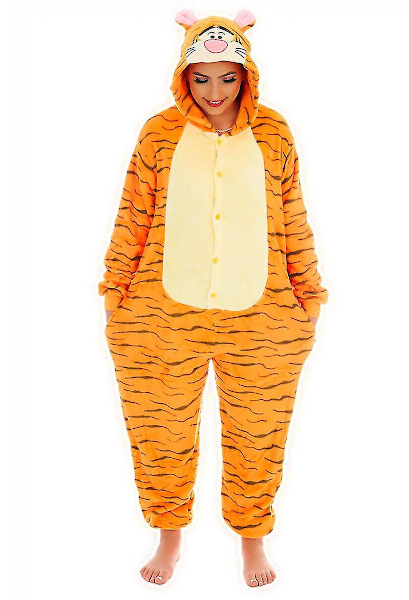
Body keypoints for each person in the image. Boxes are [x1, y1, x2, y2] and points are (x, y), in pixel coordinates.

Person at [98, 8, 329, 587]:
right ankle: (168, 537)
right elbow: (134, 212)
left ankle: (252, 541)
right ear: (184, 76)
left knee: (259, 431)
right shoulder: (159, 133)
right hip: (161, 314)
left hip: (263, 317)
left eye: (228, 77)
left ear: (247, 74)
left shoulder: (274, 133)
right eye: (200, 78)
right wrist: (114, 290)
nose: (215, 91)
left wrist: (309, 294)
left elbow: (293, 215)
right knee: (159, 429)